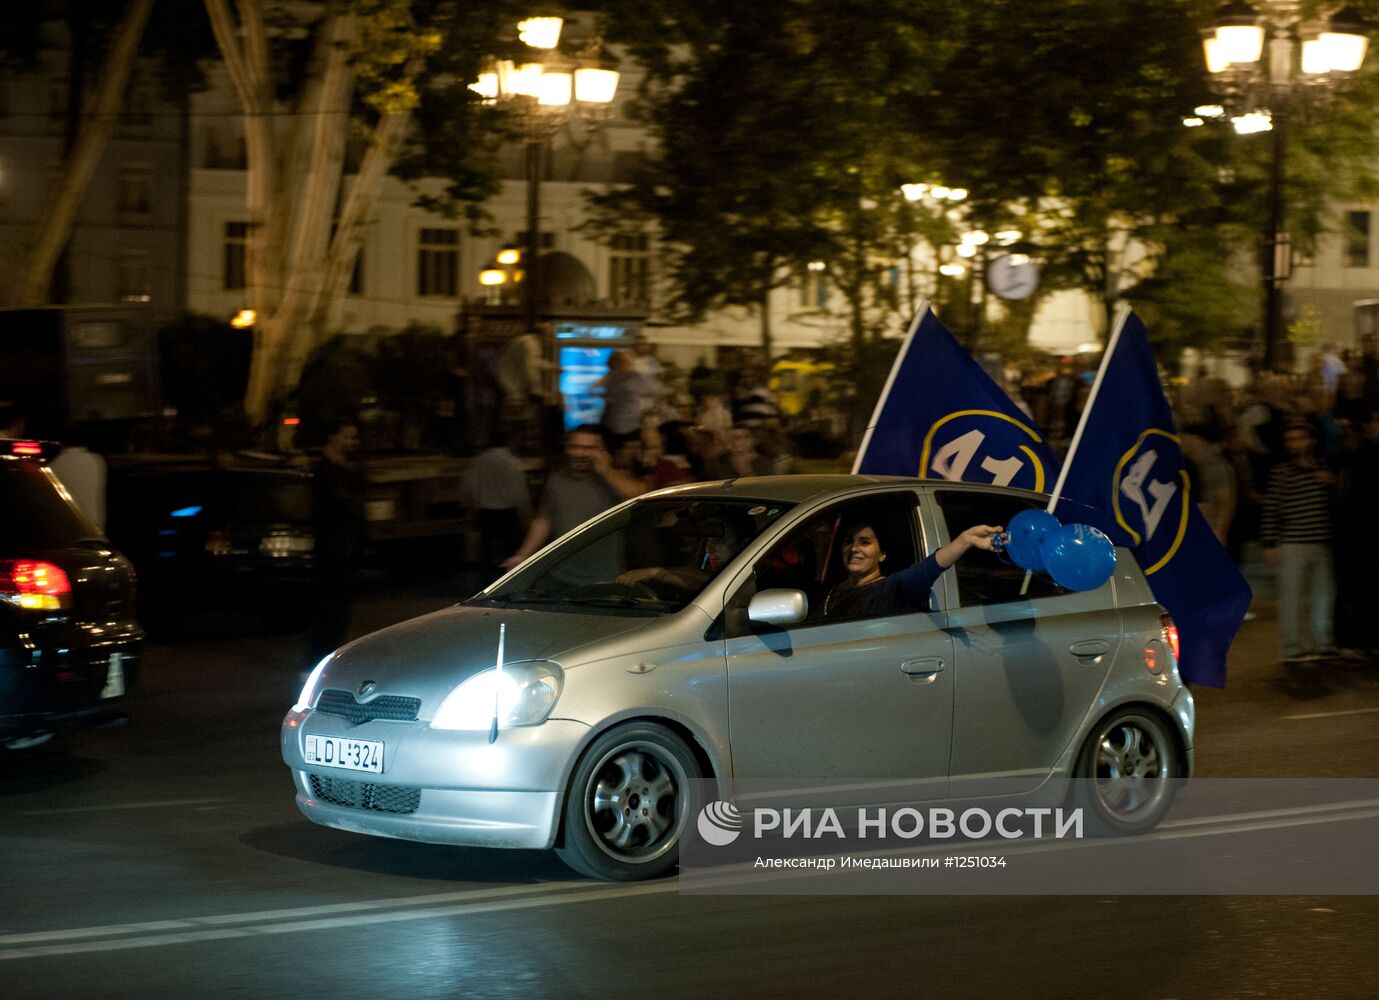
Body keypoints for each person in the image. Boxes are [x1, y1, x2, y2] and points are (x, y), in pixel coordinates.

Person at [501, 425, 645, 571]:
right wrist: (522, 556)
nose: (579, 453)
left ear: (602, 451)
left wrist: (606, 471)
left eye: (589, 448)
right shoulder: (557, 479)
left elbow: (640, 495)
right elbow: (544, 520)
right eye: (574, 447)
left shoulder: (613, 479)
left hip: (602, 575)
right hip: (561, 572)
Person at [814, 520, 1002, 621]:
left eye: (865, 542)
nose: (854, 548)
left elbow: (928, 569)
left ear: (882, 554)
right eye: (849, 541)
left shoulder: (890, 589)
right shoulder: (832, 590)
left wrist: (965, 540)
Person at [1261, 421, 1337, 665]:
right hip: (1293, 541)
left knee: (1322, 595)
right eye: (1291, 440)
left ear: (1312, 440)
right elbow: (1272, 507)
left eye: (1300, 439)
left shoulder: (1324, 468)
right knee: (1291, 595)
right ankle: (1292, 647)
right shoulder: (1282, 471)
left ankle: (1322, 642)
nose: (1296, 445)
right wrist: (1270, 542)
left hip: (1321, 540)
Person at [306, 417, 367, 664]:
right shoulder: (325, 471)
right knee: (327, 610)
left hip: (344, 549)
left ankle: (329, 658)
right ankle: (316, 660)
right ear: (332, 437)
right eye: (348, 436)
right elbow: (340, 505)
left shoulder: (346, 470)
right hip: (330, 550)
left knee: (339, 612)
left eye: (354, 437)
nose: (352, 442)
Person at [460, 440, 531, 583]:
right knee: (509, 547)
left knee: (486, 547)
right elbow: (520, 488)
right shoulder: (512, 461)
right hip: (508, 510)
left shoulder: (479, 461)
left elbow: (469, 485)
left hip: (486, 510)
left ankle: (485, 579)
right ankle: (509, 578)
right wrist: (523, 506)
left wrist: (469, 503)